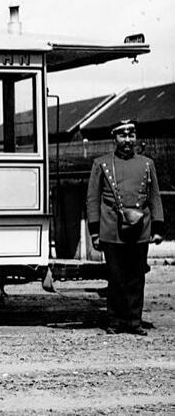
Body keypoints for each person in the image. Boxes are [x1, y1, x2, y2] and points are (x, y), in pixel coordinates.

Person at [86, 119, 165, 335]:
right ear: (115, 138)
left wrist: (157, 228)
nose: (128, 140)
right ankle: (115, 321)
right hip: (111, 229)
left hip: (140, 228)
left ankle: (134, 321)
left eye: (131, 135)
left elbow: (154, 197)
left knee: (136, 277)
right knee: (116, 277)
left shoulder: (147, 164)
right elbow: (92, 199)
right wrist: (95, 232)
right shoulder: (101, 164)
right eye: (123, 136)